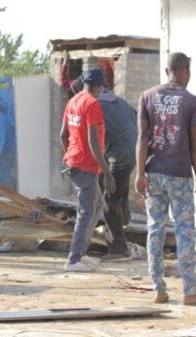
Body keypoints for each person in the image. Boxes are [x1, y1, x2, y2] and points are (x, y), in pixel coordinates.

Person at [136, 52, 196, 305]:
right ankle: (190, 292)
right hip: (180, 176)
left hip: (153, 174)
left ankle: (158, 289)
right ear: (186, 70)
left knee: (155, 231)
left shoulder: (147, 96)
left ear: (166, 70)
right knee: (184, 232)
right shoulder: (192, 101)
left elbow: (141, 138)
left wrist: (140, 174)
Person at [71, 76, 138, 259]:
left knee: (109, 199)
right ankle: (124, 220)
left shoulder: (94, 106)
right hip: (131, 153)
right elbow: (136, 119)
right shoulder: (121, 102)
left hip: (118, 156)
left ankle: (118, 249)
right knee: (118, 192)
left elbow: (91, 140)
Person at [60, 68, 116, 272]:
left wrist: (72, 156)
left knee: (97, 205)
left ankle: (81, 254)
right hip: (86, 165)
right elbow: (93, 140)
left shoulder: (72, 102)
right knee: (86, 212)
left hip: (77, 162)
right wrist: (107, 172)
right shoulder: (92, 104)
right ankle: (73, 259)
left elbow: (62, 135)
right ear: (99, 86)